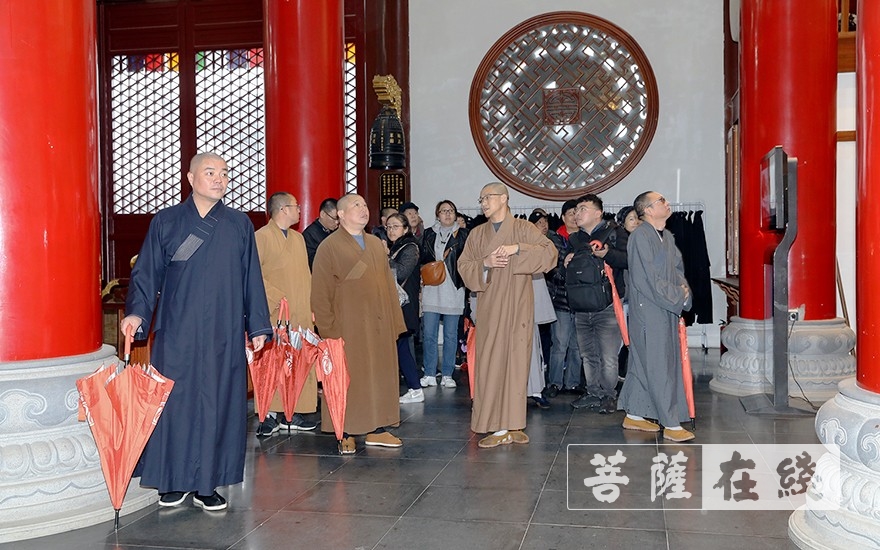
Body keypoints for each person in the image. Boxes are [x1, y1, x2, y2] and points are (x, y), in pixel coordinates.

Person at [120, 153, 272, 511]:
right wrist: (137, 314)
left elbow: (252, 277)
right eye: (210, 172)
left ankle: (208, 483)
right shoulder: (167, 221)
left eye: (224, 173)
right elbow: (147, 274)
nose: (219, 179)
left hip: (224, 328)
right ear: (190, 178)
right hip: (177, 329)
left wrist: (258, 324)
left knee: (219, 403)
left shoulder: (238, 224)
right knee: (175, 403)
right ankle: (172, 479)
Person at [457, 182, 557, 448]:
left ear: (504, 198)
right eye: (481, 199)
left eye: (487, 198)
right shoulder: (477, 234)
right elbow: (464, 265)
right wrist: (485, 264)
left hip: (518, 308)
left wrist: (518, 249)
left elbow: (550, 254)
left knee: (516, 365)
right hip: (490, 310)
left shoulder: (524, 230)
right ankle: (494, 425)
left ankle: (512, 424)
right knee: (491, 365)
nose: (483, 204)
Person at [311, 194, 407, 454]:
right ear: (340, 214)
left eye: (365, 205)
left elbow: (389, 285)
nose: (363, 209)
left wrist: (395, 323)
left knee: (379, 377)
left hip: (378, 324)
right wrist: (329, 331)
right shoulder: (329, 246)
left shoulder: (376, 243)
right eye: (356, 205)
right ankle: (346, 430)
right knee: (350, 380)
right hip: (348, 326)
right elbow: (320, 293)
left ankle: (377, 428)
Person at [618, 191, 694, 442]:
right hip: (649, 310)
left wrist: (683, 292)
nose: (667, 202)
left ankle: (635, 415)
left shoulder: (667, 237)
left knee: (643, 363)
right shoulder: (640, 236)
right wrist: (676, 295)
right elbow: (647, 279)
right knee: (660, 365)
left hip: (665, 307)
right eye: (661, 200)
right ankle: (670, 423)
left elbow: (677, 270)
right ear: (647, 210)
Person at [253, 192, 319, 436]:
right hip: (275, 312)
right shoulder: (261, 237)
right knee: (274, 363)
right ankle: (269, 415)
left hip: (300, 311)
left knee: (299, 361)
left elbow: (306, 275)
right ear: (282, 209)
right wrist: (277, 296)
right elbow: (253, 275)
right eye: (296, 206)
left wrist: (311, 305)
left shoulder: (298, 239)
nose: (300, 210)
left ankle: (293, 412)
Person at [566, 194, 629, 415]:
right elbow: (562, 273)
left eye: (583, 208)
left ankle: (609, 395)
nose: (577, 213)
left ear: (598, 213)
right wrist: (564, 262)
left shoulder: (614, 233)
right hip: (581, 306)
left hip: (608, 305)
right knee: (588, 354)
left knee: (609, 356)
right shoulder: (575, 239)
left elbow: (628, 259)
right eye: (575, 209)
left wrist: (608, 254)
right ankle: (593, 392)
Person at [419, 200, 469, 389]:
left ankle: (447, 374)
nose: (447, 214)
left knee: (450, 335)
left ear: (456, 214)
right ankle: (430, 373)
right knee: (430, 334)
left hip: (453, 289)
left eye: (451, 211)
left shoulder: (463, 234)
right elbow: (423, 258)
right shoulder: (429, 233)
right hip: (432, 288)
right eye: (443, 211)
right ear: (437, 214)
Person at [383, 213, 424, 404]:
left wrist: (385, 257)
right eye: (389, 227)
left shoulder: (410, 247)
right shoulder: (396, 247)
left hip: (405, 306)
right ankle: (414, 387)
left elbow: (399, 273)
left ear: (406, 229)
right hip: (396, 305)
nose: (391, 230)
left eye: (396, 227)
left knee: (401, 346)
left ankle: (415, 387)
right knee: (400, 347)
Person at [544, 199, 582, 398]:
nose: (574, 218)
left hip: (582, 302)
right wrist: (567, 268)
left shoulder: (586, 238)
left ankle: (573, 383)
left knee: (577, 345)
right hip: (560, 300)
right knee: (559, 344)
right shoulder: (554, 239)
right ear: (562, 217)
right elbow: (551, 269)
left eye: (577, 213)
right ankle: (555, 382)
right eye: (570, 214)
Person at [614, 205, 642, 381]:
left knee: (635, 336)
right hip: (625, 296)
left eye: (638, 218)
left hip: (639, 297)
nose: (636, 222)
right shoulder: (620, 241)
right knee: (624, 336)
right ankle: (620, 371)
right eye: (631, 219)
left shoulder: (643, 240)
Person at [302, 198, 339, 268]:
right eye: (334, 218)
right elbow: (312, 262)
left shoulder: (336, 231)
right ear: (323, 214)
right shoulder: (310, 234)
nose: (337, 222)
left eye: (339, 219)